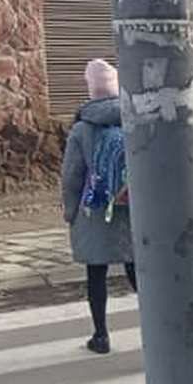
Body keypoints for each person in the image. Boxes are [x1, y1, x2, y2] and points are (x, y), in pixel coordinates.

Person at [61, 59, 136, 354]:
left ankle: (101, 336)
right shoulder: (133, 118)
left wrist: (70, 212)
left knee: (96, 275)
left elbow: (71, 176)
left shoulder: (83, 127)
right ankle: (159, 328)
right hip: (130, 204)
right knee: (137, 271)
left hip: (95, 208)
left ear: (91, 89)